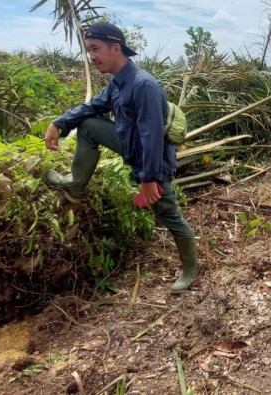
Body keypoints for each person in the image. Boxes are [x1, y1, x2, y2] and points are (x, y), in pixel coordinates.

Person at [43, 22, 198, 293]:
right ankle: (75, 184)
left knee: (168, 213)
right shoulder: (118, 83)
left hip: (152, 160)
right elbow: (93, 107)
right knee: (89, 124)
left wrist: (148, 179)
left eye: (95, 48)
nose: (91, 56)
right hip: (131, 146)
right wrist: (59, 123)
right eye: (88, 49)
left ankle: (190, 269)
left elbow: (152, 137)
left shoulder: (143, 85)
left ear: (115, 48)